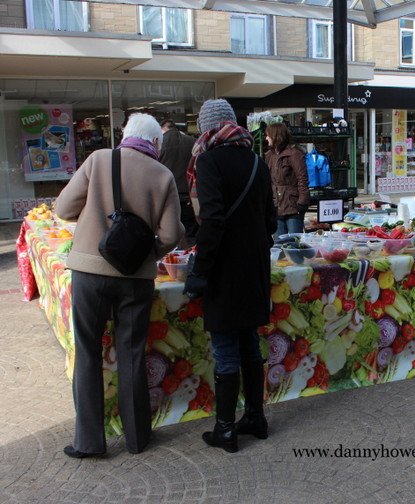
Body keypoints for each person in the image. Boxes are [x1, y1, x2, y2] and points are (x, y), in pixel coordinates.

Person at [55, 113, 184, 458]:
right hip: (136, 279)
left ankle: (88, 442)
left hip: (89, 271)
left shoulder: (99, 160)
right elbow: (172, 234)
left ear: (126, 135)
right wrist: (144, 253)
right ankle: (137, 438)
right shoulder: (163, 175)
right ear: (155, 142)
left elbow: (63, 208)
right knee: (132, 354)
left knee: (87, 352)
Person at [183, 99, 276, 453]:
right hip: (255, 267)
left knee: (225, 349)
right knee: (249, 341)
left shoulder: (208, 162)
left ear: (207, 129)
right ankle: (255, 417)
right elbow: (271, 221)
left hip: (224, 269)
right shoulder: (257, 162)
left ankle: (225, 429)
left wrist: (200, 271)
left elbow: (212, 221)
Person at [264, 122, 310, 237]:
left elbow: (302, 179)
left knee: (295, 241)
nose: (266, 138)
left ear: (275, 136)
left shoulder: (294, 154)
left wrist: (302, 202)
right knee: (279, 243)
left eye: (268, 135)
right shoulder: (269, 155)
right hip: (276, 205)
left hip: (293, 205)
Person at [159, 119, 199, 245]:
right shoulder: (193, 142)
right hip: (190, 197)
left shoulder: (160, 143)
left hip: (168, 197)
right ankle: (190, 254)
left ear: (163, 129)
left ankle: (175, 255)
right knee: (191, 233)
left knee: (170, 236)